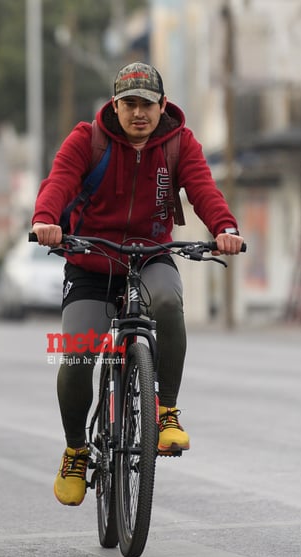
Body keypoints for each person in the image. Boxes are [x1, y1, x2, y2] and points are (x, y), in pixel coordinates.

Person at [30, 62, 245, 507]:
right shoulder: (87, 139)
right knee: (76, 354)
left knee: (166, 299)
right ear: (115, 104)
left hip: (150, 255)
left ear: (162, 105)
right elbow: (59, 183)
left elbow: (204, 189)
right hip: (91, 262)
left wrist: (224, 227)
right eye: (129, 104)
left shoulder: (179, 144)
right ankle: (76, 450)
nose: (138, 113)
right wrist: (45, 220)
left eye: (147, 103)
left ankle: (165, 412)